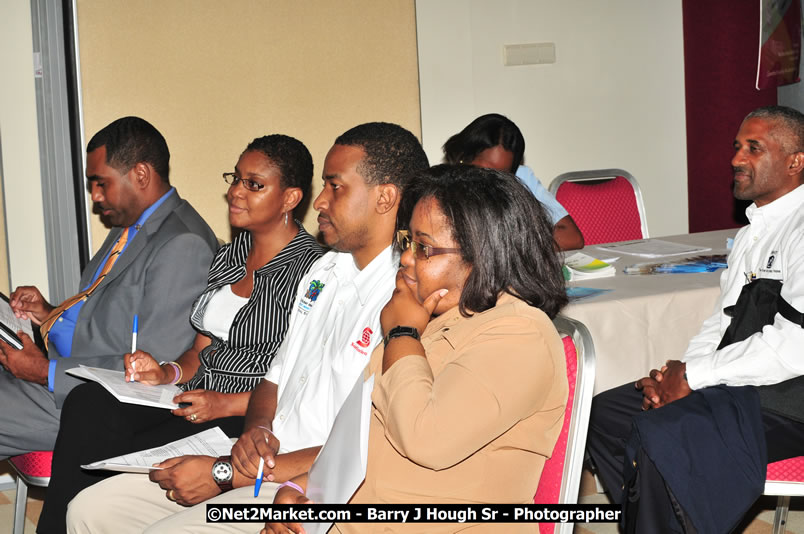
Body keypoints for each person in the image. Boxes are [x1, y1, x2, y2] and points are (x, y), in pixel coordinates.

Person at [65, 122, 430, 534]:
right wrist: (256, 431)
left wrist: (225, 471)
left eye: (335, 187)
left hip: (310, 483)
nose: (322, 201)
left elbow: (366, 443)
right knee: (89, 510)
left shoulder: (404, 294)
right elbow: (273, 382)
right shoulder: (325, 271)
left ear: (385, 197)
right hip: (256, 455)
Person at [37, 134, 324, 533]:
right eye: (235, 179)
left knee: (102, 445)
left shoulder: (314, 272)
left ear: (291, 198)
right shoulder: (229, 255)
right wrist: (166, 373)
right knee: (90, 403)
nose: (235, 193)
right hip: (194, 401)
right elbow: (200, 350)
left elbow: (298, 380)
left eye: (253, 184)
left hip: (246, 419)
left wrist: (223, 403)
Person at [262, 164, 569, 534]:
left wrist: (402, 332)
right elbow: (361, 439)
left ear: (483, 255)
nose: (405, 258)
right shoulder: (435, 317)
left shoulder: (519, 335)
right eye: (407, 242)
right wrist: (303, 490)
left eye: (424, 248)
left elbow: (426, 439)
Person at [586, 105, 804, 533]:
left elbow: (796, 345)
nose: (736, 159)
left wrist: (696, 378)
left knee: (664, 436)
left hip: (789, 397)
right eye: (737, 147)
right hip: (742, 384)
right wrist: (679, 377)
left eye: (753, 149)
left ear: (796, 161)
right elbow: (722, 319)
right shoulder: (752, 232)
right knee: (608, 415)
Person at [0, 116, 218, 460]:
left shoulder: (183, 244)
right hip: (69, 374)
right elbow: (108, 321)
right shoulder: (131, 225)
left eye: (101, 183)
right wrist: (48, 313)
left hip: (101, 402)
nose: (96, 197)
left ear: (141, 175)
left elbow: (151, 366)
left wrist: (45, 373)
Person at [443, 113, 584, 251]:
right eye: (487, 171)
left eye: (503, 175)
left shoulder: (521, 177)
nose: (493, 182)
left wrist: (513, 247)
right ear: (465, 158)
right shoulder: (444, 187)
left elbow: (571, 237)